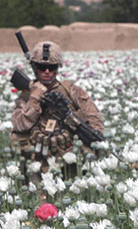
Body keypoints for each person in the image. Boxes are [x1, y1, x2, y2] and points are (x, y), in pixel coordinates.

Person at [11, 40, 104, 183]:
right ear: (35, 67)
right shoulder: (27, 96)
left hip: (68, 161)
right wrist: (35, 97)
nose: (47, 72)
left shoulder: (71, 91)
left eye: (52, 67)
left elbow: (94, 118)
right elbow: (20, 125)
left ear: (58, 68)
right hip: (37, 162)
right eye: (42, 67)